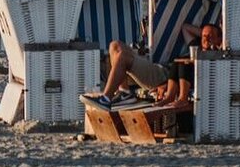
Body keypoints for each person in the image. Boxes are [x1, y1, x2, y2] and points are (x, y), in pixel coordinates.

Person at [90, 22, 223, 110]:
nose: (206, 38)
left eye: (211, 36)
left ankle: (106, 98)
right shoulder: (195, 46)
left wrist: (216, 41)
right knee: (115, 45)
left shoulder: (219, 56)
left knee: (123, 57)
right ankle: (124, 93)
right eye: (204, 36)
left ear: (219, 39)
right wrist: (206, 33)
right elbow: (185, 27)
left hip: (163, 78)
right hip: (163, 70)